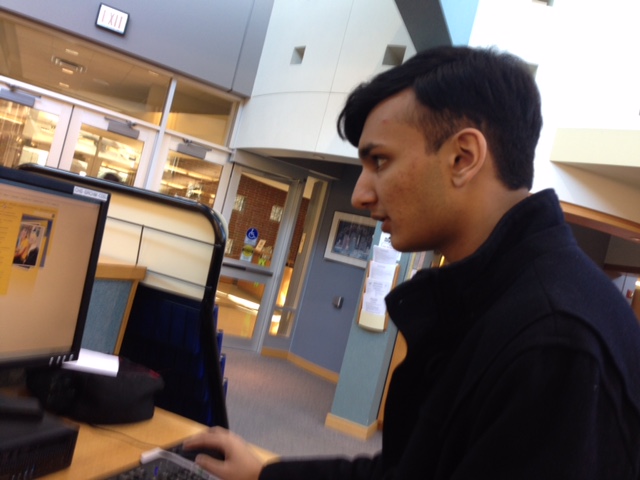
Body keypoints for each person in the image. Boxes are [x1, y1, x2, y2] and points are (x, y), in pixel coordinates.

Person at [183, 46, 640, 479]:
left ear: (463, 157)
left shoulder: (554, 343)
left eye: (380, 161)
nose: (361, 194)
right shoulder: (498, 301)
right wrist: (267, 473)